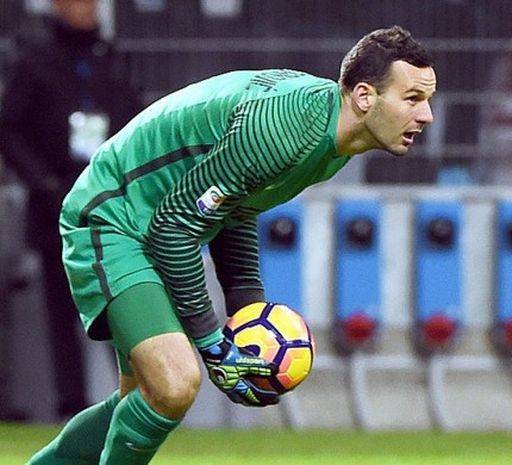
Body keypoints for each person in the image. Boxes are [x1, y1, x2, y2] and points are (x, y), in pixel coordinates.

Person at [26, 25, 436, 464]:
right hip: (115, 214)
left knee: (145, 397)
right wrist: (213, 345)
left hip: (153, 220)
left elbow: (236, 208)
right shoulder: (283, 131)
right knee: (174, 382)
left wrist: (247, 312)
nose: (426, 115)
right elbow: (173, 228)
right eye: (412, 98)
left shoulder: (334, 140)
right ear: (364, 96)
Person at [0, 0, 141, 420]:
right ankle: (72, 405)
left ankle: (135, 397)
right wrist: (43, 183)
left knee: (123, 305)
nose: (89, 10)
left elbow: (136, 123)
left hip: (111, 206)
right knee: (64, 311)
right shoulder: (35, 59)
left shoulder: (111, 58)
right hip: (58, 205)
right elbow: (9, 127)